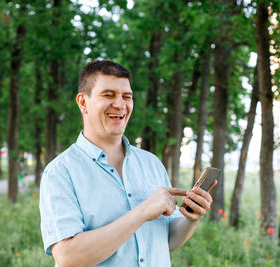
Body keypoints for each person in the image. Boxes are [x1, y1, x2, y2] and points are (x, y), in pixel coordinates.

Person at [39, 60, 217, 267]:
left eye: (127, 97)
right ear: (83, 102)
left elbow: (166, 240)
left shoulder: (152, 164)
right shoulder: (60, 172)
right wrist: (141, 212)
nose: (120, 104)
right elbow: (69, 257)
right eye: (108, 95)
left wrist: (191, 218)